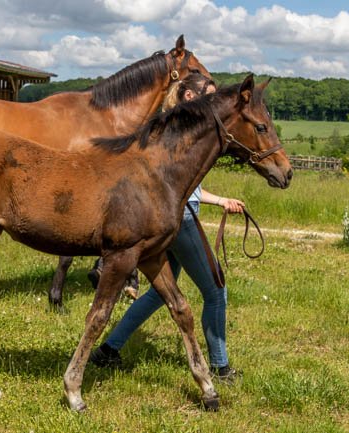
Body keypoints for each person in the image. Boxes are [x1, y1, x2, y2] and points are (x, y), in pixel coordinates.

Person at [89, 73, 244, 382]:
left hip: (168, 217)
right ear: (190, 97)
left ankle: (108, 349)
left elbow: (187, 187)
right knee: (216, 291)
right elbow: (178, 190)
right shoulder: (180, 131)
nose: (214, 104)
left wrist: (221, 200)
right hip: (180, 220)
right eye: (209, 96)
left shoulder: (168, 126)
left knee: (159, 293)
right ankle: (220, 367)